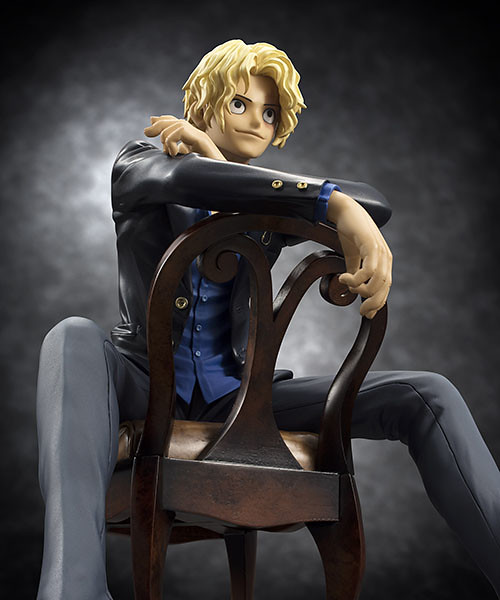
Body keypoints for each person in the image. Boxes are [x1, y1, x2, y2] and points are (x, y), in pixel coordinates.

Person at [36, 39, 500, 599]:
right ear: (203, 102)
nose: (258, 120)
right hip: (138, 384)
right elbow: (182, 182)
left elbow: (374, 201)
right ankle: (72, 591)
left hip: (239, 398)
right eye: (240, 103)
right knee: (71, 336)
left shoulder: (272, 204)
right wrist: (325, 200)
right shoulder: (141, 163)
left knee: (427, 395)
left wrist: (337, 203)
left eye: (271, 112)